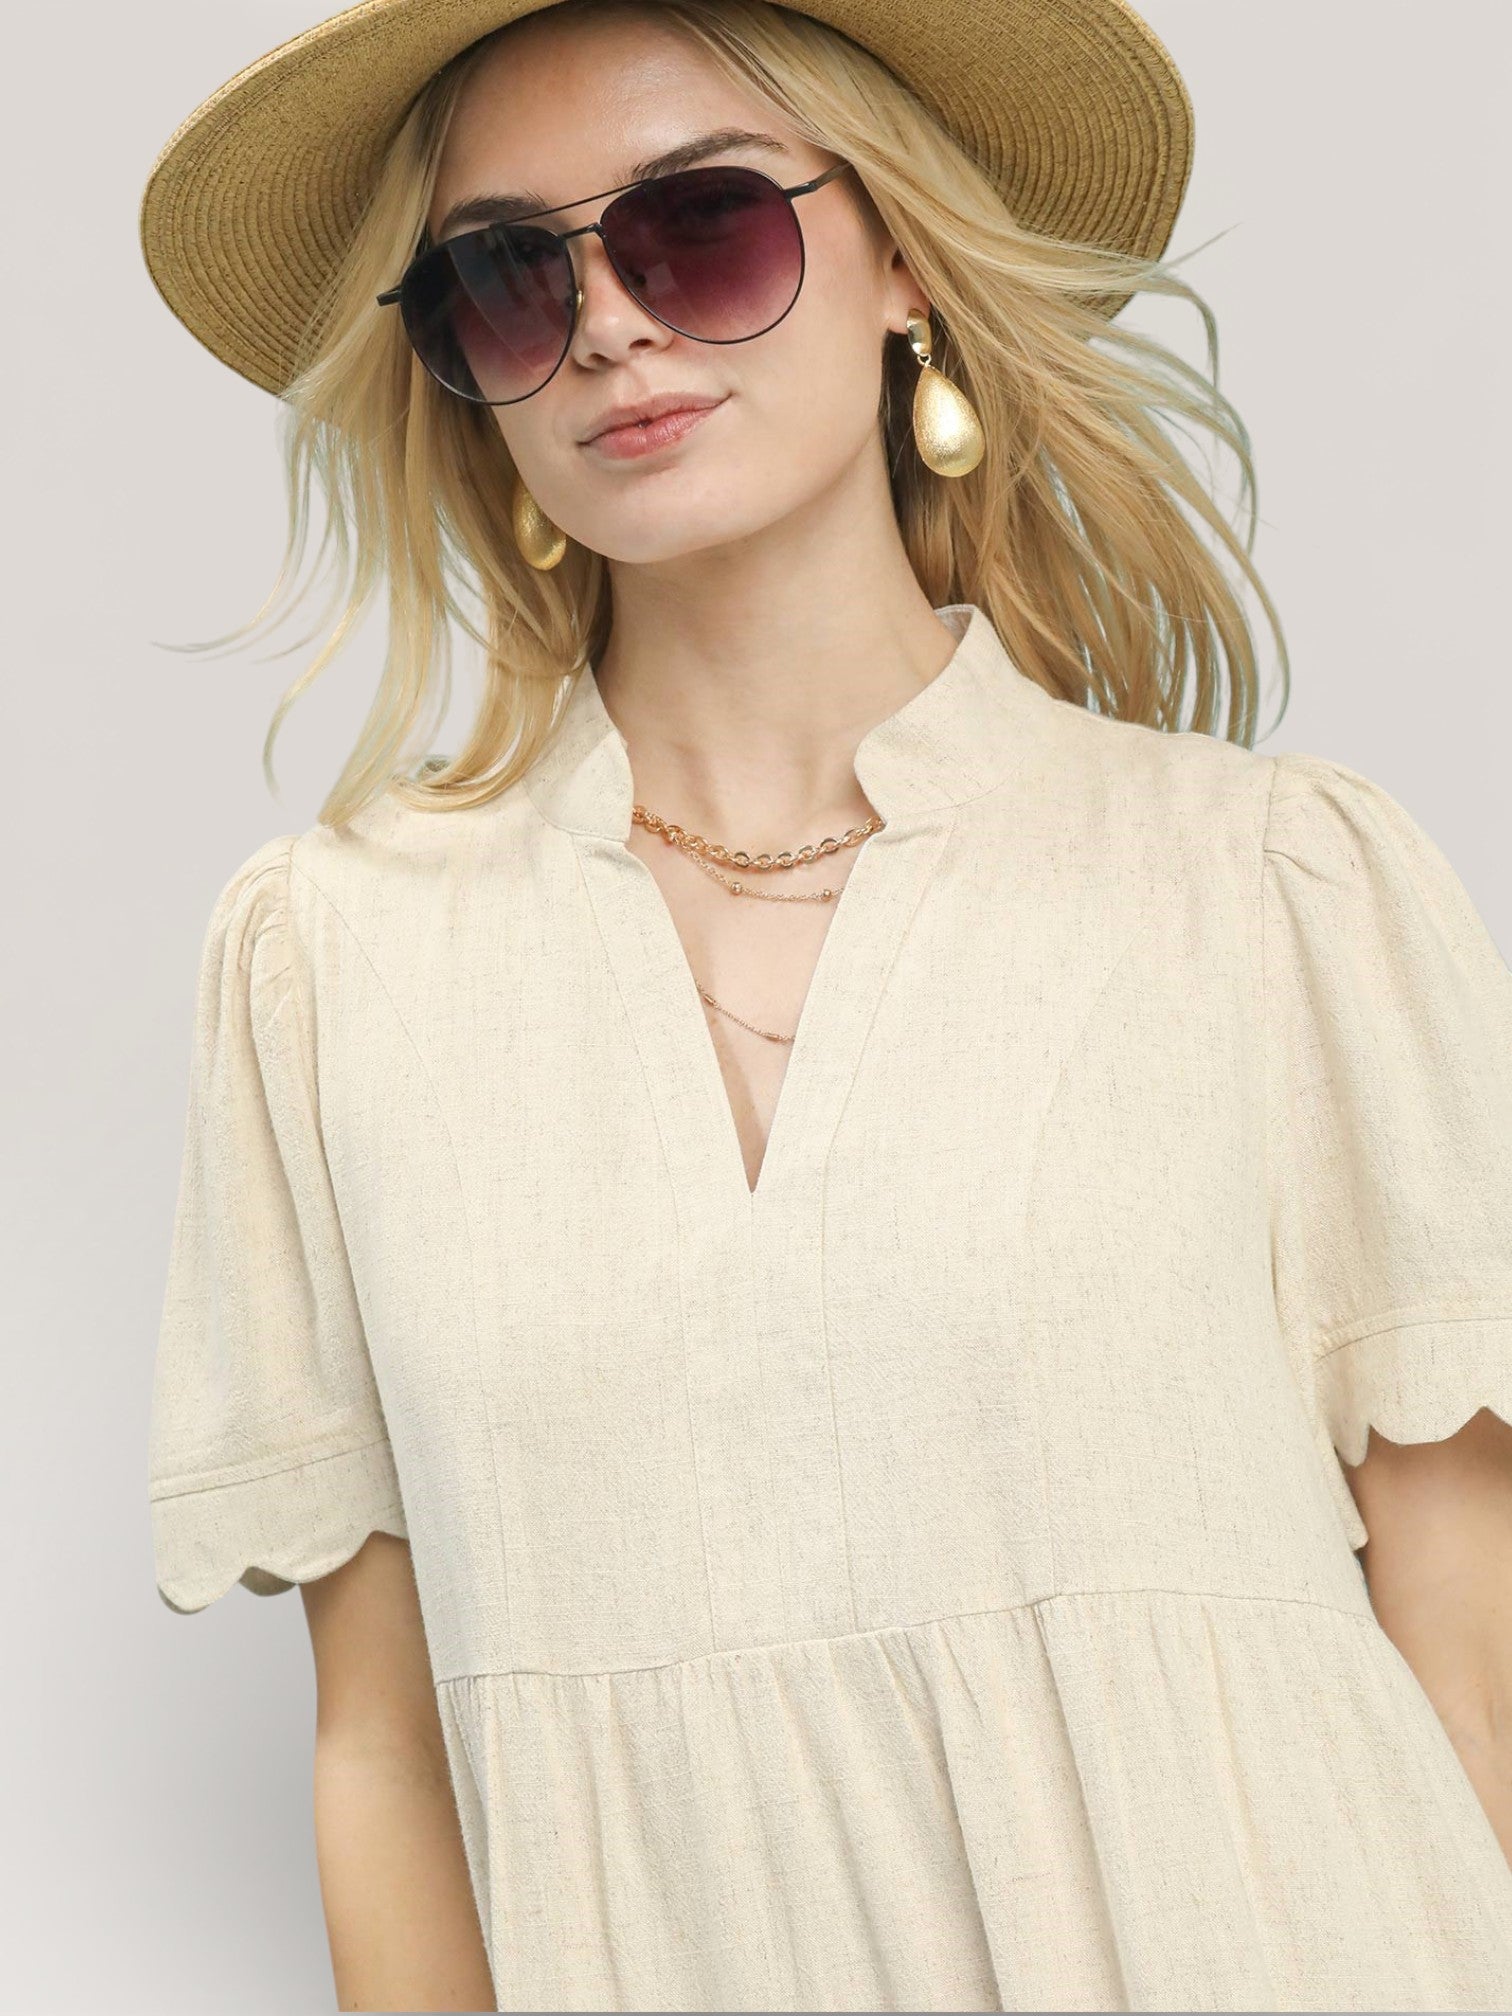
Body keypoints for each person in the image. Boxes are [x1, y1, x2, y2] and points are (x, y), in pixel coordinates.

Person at [140, 0, 1512, 2008]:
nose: (610, 327)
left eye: (700, 228)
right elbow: (385, 1755)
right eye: (507, 279)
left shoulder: (1270, 888)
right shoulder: (334, 967)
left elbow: (1474, 1662)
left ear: (905, 263)